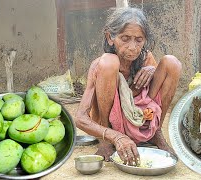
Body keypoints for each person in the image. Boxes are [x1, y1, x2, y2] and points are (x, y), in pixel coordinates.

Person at [75, 7, 182, 166]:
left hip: (139, 120)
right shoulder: (101, 65)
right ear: (110, 37)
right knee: (109, 61)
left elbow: (152, 99)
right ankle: (106, 140)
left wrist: (153, 71)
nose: (132, 47)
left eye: (139, 40)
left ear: (145, 40)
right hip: (110, 126)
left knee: (172, 63)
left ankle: (156, 132)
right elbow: (80, 119)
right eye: (125, 38)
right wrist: (114, 136)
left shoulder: (146, 59)